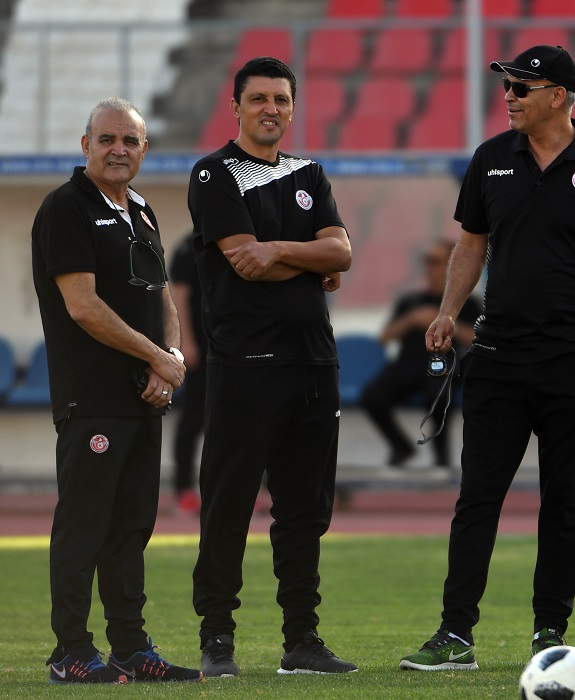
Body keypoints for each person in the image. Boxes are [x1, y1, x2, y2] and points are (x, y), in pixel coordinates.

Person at [399, 45, 575, 670]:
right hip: (499, 357)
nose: (508, 95)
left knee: (568, 500)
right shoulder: (490, 160)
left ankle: (550, 631)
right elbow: (471, 245)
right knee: (477, 497)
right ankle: (455, 634)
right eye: (507, 86)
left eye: (522, 86)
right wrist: (448, 311)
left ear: (560, 96)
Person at [188, 56, 355, 677]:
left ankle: (302, 643)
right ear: (236, 106)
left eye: (281, 99)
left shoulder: (310, 171)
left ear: (293, 106)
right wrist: (315, 261)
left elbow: (342, 252)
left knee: (305, 511)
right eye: (258, 99)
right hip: (247, 366)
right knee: (228, 505)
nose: (271, 109)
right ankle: (217, 642)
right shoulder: (213, 174)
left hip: (315, 363)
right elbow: (243, 262)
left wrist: (284, 249)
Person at [31, 98, 201, 684]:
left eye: (129, 140)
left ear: (144, 149)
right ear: (86, 147)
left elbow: (162, 298)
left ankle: (131, 647)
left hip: (142, 398)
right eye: (106, 140)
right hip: (92, 398)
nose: (118, 150)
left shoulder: (144, 212)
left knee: (132, 528)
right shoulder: (66, 208)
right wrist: (158, 357)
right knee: (85, 526)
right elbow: (83, 306)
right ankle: (70, 652)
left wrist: (169, 359)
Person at [360, 240, 482, 467]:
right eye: (426, 261)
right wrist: (413, 319)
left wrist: (445, 319)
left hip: (445, 365)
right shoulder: (411, 301)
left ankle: (441, 456)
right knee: (372, 395)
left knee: (436, 395)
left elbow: (479, 338)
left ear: (450, 264)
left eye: (435, 261)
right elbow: (385, 336)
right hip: (408, 363)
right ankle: (400, 446)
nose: (429, 267)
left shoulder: (467, 303)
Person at [168, 236, 205, 513]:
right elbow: (179, 296)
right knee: (193, 419)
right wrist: (186, 342)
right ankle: (184, 489)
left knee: (234, 422)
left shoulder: (234, 239)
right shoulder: (188, 248)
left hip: (230, 348)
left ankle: (233, 489)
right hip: (202, 350)